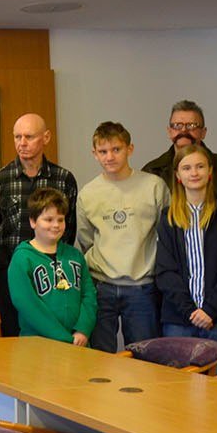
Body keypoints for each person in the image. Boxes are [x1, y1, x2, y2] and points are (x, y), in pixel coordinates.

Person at [75, 122, 169, 352]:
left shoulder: (154, 186)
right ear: (94, 154)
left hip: (142, 286)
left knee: (144, 357)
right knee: (99, 357)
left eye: (116, 149)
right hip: (101, 286)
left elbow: (166, 235)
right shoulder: (88, 193)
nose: (110, 157)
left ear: (130, 149)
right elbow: (86, 239)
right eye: (103, 151)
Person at [154, 144, 217, 374]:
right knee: (178, 389)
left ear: (210, 171)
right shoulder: (167, 218)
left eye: (200, 166)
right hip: (179, 320)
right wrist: (190, 311)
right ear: (178, 175)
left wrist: (210, 310)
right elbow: (165, 272)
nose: (194, 173)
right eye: (186, 168)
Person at [0, 114, 78, 338]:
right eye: (17, 137)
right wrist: (8, 261)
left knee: (54, 333)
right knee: (13, 336)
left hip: (53, 271)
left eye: (29, 137)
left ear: (45, 137)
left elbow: (70, 227)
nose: (22, 143)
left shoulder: (63, 179)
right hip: (11, 271)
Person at [7, 188, 96, 345]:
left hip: (78, 343)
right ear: (33, 222)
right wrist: (63, 338)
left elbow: (89, 295)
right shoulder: (22, 258)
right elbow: (27, 304)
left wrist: (83, 329)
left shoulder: (75, 255)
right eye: (48, 220)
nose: (56, 225)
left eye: (60, 220)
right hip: (38, 344)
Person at [141, 100, 217, 206]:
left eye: (191, 125)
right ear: (169, 131)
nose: (183, 130)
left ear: (203, 132)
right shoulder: (152, 171)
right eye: (177, 125)